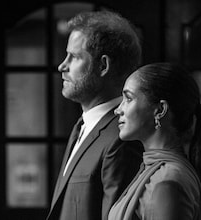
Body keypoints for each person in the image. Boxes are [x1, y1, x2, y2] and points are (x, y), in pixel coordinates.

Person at [47, 11, 144, 220]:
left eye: (74, 57)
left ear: (103, 66)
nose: (62, 66)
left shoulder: (122, 139)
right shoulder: (81, 126)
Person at [109, 63, 201, 220]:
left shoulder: (168, 182)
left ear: (159, 110)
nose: (118, 109)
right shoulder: (154, 172)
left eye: (128, 98)